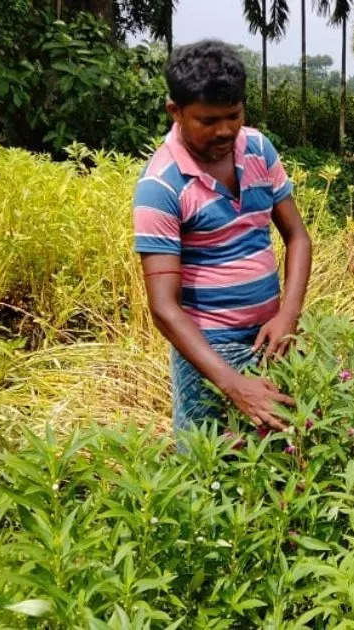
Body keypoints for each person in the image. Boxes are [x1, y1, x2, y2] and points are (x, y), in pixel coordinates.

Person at [132, 40, 312, 439]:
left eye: (234, 115)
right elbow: (163, 307)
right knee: (210, 467)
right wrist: (233, 384)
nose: (226, 130)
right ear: (175, 111)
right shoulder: (160, 186)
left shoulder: (258, 149)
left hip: (272, 338)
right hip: (209, 352)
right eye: (208, 120)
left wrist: (288, 316)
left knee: (281, 458)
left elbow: (297, 236)